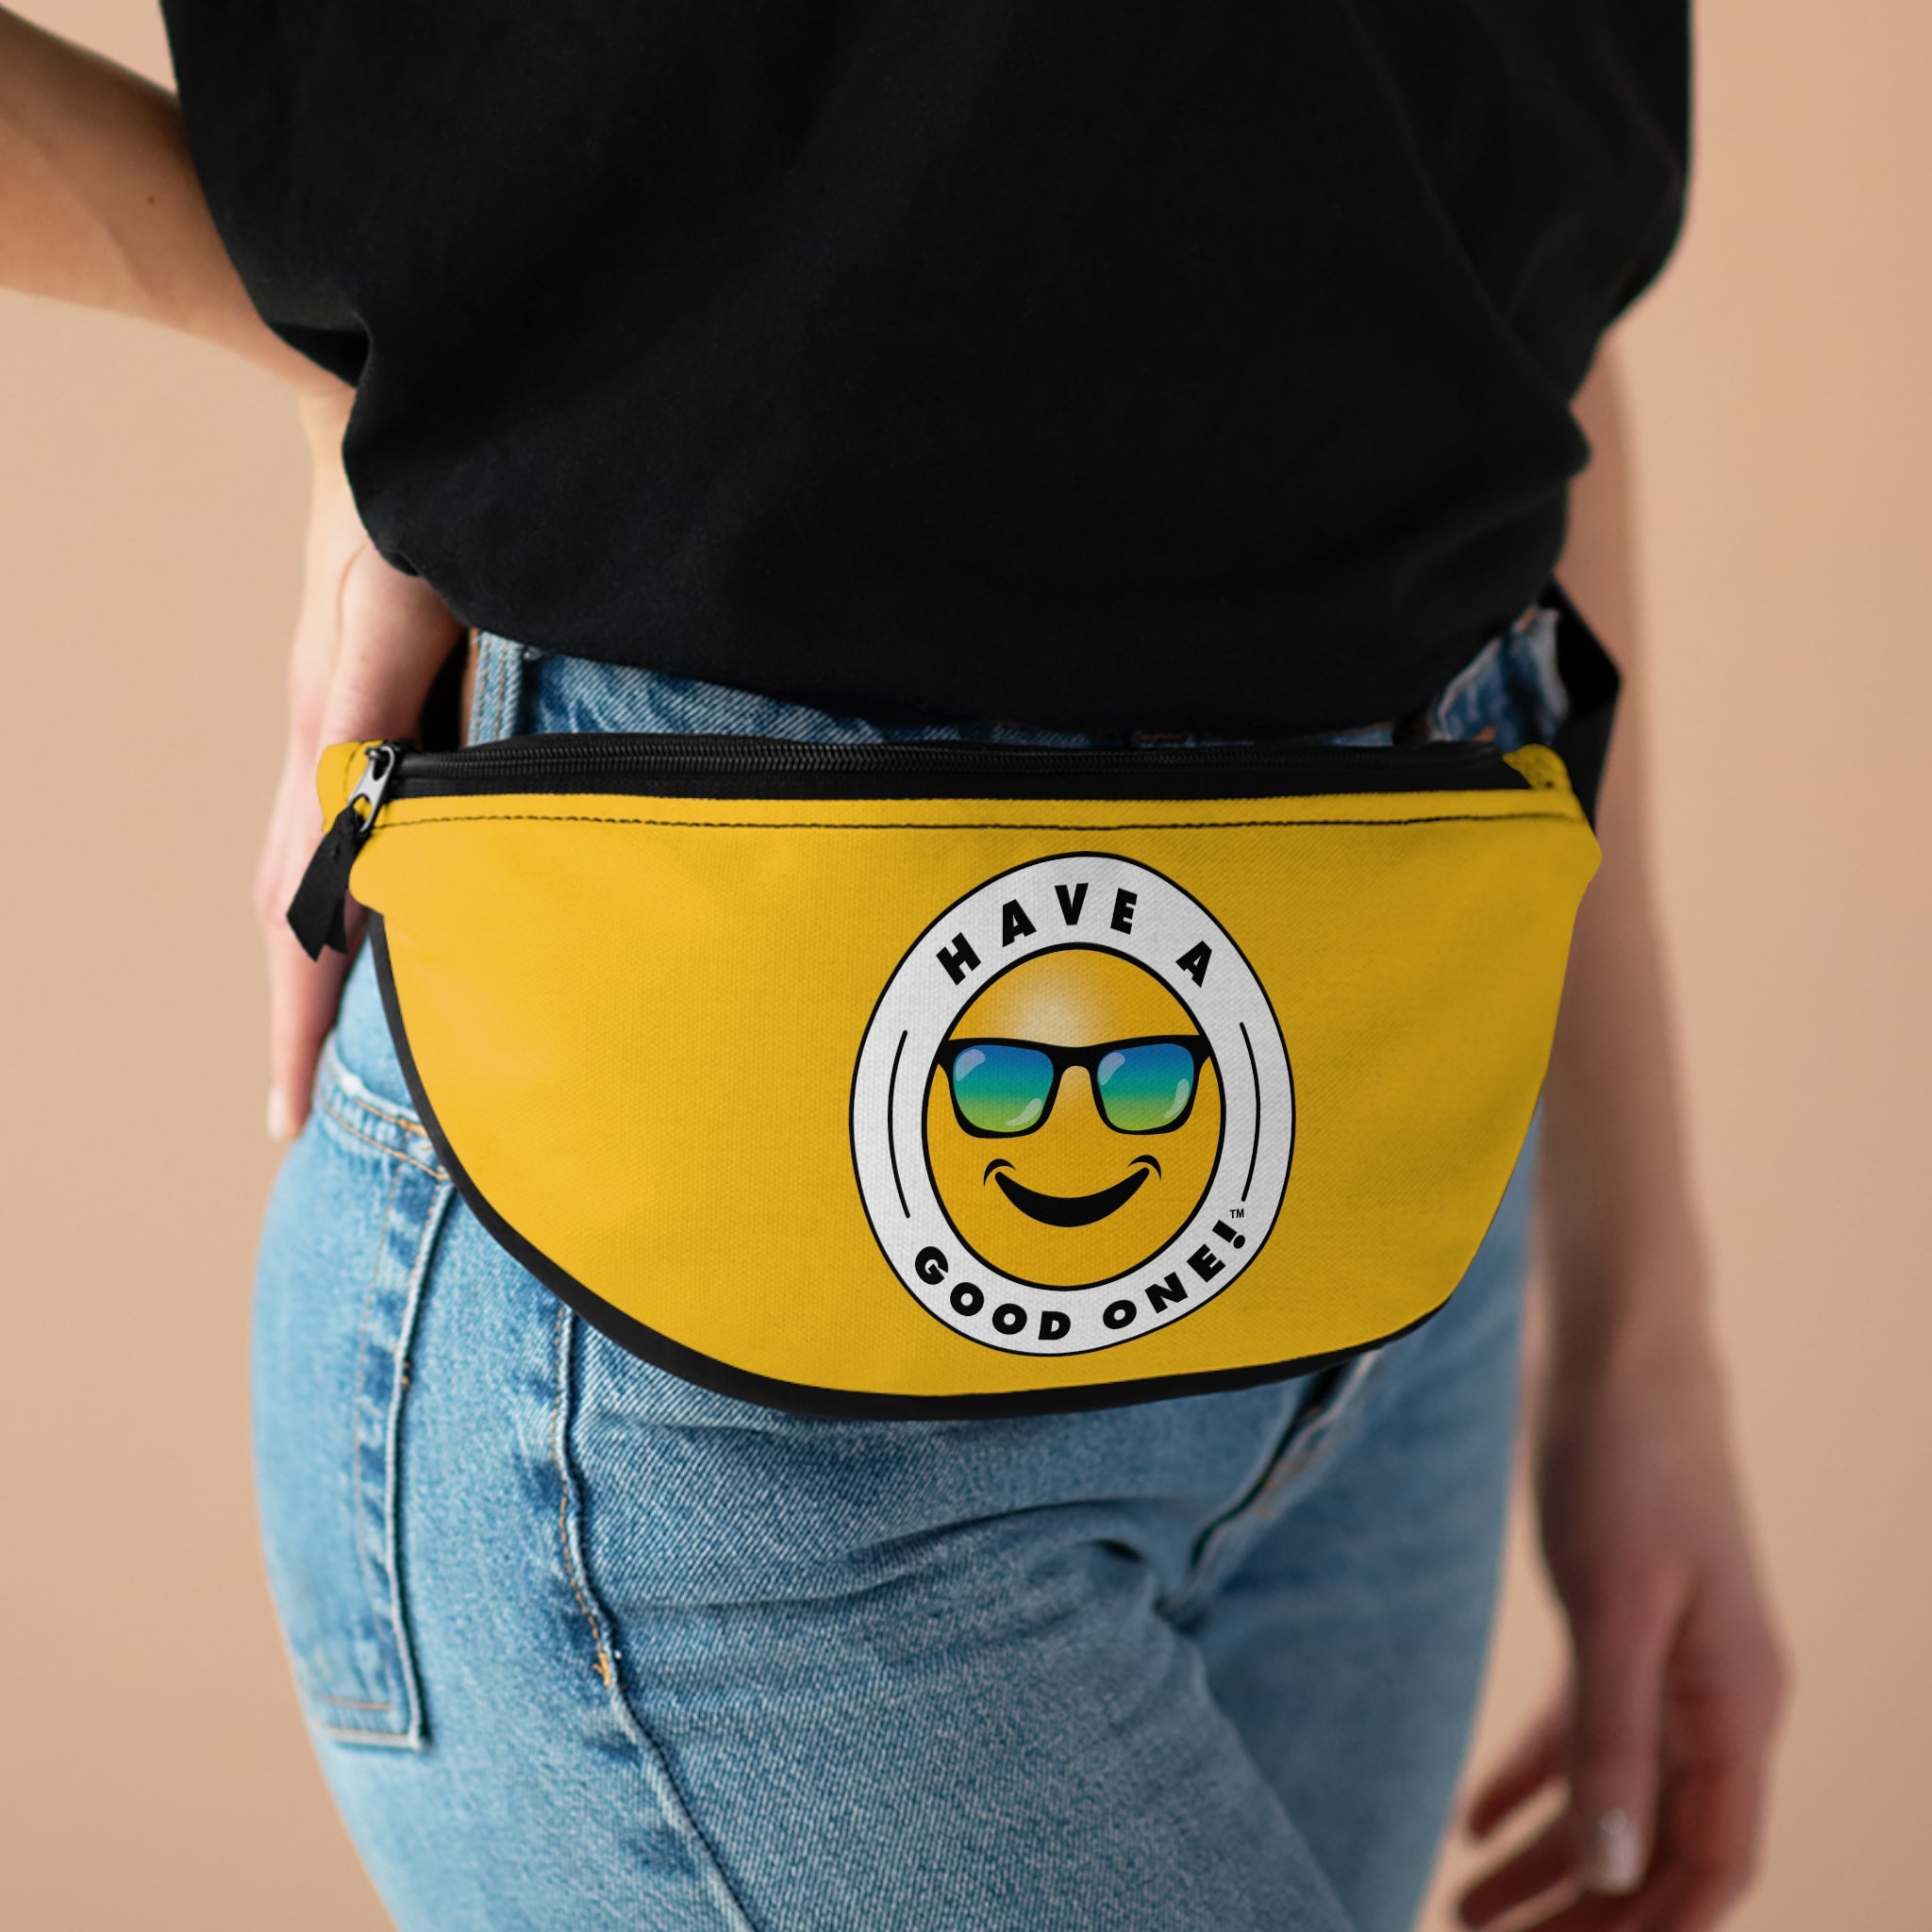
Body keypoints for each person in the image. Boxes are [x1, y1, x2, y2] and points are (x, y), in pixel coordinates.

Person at [0, 8, 1787, 1929]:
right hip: (715, 1359)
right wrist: (363, 376)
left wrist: (1641, 1332)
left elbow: (1502, 268)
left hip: (1402, 1193)